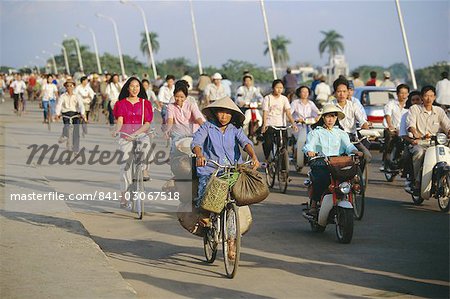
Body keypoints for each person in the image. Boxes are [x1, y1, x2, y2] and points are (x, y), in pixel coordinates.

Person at [192, 96, 260, 209]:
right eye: (221, 112)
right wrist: (200, 156)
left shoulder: (235, 129)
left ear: (232, 115)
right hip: (211, 169)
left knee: (241, 197)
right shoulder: (207, 127)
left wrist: (253, 156)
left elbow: (245, 142)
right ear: (215, 113)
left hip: (233, 169)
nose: (224, 116)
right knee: (204, 199)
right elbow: (196, 142)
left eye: (227, 113)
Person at [303, 104, 362, 214]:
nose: (331, 119)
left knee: (351, 178)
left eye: (333, 116)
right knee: (321, 179)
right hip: (320, 161)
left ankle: (349, 199)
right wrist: (310, 151)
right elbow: (308, 145)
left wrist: (355, 151)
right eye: (328, 116)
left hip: (337, 162)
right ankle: (314, 203)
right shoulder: (316, 132)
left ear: (336, 118)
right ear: (323, 117)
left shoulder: (340, 133)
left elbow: (348, 146)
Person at [112, 77, 154, 207]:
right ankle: (124, 194)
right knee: (125, 166)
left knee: (146, 146)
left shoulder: (145, 103)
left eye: (137, 86)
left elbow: (147, 124)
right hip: (125, 136)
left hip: (141, 134)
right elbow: (120, 121)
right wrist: (116, 130)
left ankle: (145, 169)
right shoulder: (121, 104)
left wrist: (135, 134)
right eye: (132, 86)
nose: (135, 89)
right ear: (127, 88)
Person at [406, 85, 450, 194]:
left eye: (431, 96)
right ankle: (416, 180)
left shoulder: (439, 111)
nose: (428, 99)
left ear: (435, 97)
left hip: (437, 144)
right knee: (419, 153)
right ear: (422, 97)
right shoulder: (415, 109)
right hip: (420, 142)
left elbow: (447, 125)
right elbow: (410, 124)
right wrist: (415, 134)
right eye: (426, 96)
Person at [331, 78, 372, 164]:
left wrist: (364, 124)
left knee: (367, 156)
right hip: (334, 140)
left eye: (344, 91)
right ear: (334, 93)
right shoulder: (330, 106)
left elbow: (361, 119)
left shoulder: (354, 105)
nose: (342, 94)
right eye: (339, 91)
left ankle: (358, 174)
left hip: (352, 139)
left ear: (348, 92)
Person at [261, 79, 298, 161]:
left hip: (281, 125)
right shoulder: (268, 98)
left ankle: (282, 163)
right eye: (277, 87)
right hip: (270, 124)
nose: (279, 89)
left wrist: (293, 124)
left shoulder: (284, 99)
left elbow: (288, 112)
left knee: (284, 144)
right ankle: (267, 160)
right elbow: (265, 112)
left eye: (281, 88)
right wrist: (264, 124)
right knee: (268, 143)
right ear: (273, 88)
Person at [165, 80, 205, 154]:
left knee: (199, 151)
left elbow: (198, 117)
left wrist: (205, 129)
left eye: (182, 97)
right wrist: (167, 130)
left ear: (186, 97)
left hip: (192, 133)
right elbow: (170, 120)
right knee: (174, 150)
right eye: (177, 96)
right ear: (174, 95)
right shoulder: (171, 105)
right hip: (177, 133)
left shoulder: (191, 103)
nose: (179, 99)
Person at [55, 79, 86, 152]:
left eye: (71, 86)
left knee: (76, 133)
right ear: (65, 87)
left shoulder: (77, 96)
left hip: (75, 114)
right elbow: (59, 105)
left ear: (74, 86)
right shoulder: (63, 96)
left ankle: (76, 150)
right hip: (66, 114)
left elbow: (81, 105)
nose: (69, 87)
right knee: (66, 127)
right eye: (67, 86)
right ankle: (64, 134)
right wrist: (57, 114)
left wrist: (83, 113)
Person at [382, 84, 409, 166]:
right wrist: (390, 125)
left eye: (406, 93)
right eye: (401, 93)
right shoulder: (391, 104)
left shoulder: (409, 106)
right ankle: (385, 160)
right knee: (390, 139)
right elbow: (388, 115)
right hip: (392, 129)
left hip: (405, 130)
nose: (404, 96)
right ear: (397, 94)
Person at [399, 91, 422, 190]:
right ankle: (412, 177)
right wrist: (412, 140)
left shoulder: (430, 112)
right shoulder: (406, 115)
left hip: (428, 143)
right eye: (413, 100)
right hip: (411, 142)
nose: (416, 102)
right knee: (411, 155)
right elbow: (403, 134)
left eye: (418, 99)